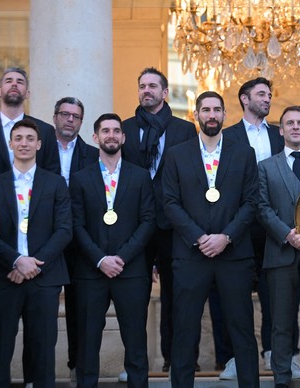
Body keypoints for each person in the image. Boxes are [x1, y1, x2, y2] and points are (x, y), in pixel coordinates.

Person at [163, 91, 260, 388]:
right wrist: (200, 237)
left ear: (225, 115)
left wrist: (226, 237)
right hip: (191, 256)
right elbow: (169, 202)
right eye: (205, 110)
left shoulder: (243, 153)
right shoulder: (177, 154)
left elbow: (251, 201)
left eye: (217, 109)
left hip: (234, 256)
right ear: (196, 115)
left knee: (242, 331)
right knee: (184, 332)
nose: (212, 115)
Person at [69, 113, 155, 387]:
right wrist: (100, 259)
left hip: (131, 272)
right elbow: (76, 225)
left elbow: (148, 221)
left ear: (123, 137)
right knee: (87, 341)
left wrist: (121, 257)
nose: (111, 135)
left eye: (116, 131)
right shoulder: (80, 178)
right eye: (105, 131)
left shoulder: (140, 177)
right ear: (95, 138)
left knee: (135, 341)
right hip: (91, 272)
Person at [121, 67, 197, 374]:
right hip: (134, 224)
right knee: (133, 296)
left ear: (165, 93)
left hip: (171, 225)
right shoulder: (124, 129)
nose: (146, 90)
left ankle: (174, 358)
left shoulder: (184, 130)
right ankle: (134, 362)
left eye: (153, 86)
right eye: (142, 86)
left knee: (175, 295)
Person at [0, 119, 72, 387]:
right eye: (18, 138)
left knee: (43, 350)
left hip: (44, 279)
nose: (23, 143)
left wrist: (33, 264)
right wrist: (15, 261)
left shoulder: (56, 183)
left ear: (39, 144)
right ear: (11, 144)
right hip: (5, 277)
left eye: (29, 138)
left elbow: (64, 230)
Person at [222, 77, 282, 376]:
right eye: (261, 94)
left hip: (273, 224)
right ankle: (234, 356)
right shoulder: (226, 137)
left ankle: (276, 352)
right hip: (239, 224)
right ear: (244, 99)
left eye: (269, 95)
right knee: (235, 290)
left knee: (275, 290)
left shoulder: (280, 135)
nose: (268, 99)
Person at [257, 106, 300, 387]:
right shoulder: (266, 167)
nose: (295, 127)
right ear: (280, 130)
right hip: (280, 255)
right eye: (289, 123)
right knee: (280, 323)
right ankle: (280, 378)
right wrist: (288, 234)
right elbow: (262, 208)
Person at [52, 97, 99, 382]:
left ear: (81, 122)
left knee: (79, 307)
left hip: (81, 240)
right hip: (46, 238)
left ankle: (76, 365)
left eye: (76, 116)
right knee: (40, 306)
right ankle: (36, 370)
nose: (70, 120)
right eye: (65, 114)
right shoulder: (41, 149)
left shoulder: (93, 155)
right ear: (55, 117)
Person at [0, 67, 60, 179]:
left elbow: (53, 176)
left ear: (27, 93)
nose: (14, 84)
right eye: (9, 81)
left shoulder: (45, 131)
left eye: (20, 82)